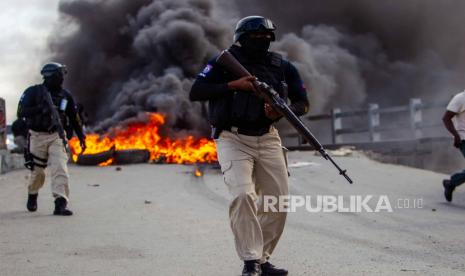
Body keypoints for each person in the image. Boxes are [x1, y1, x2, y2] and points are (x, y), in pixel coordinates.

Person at [190, 16, 309, 276]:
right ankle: (251, 261)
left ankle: (263, 259)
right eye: (255, 38)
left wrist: (278, 112)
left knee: (277, 202)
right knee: (243, 196)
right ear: (241, 39)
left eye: (266, 38)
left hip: (267, 138)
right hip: (232, 138)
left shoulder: (281, 66)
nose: (261, 42)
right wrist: (234, 85)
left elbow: (303, 103)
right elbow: (196, 91)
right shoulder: (223, 62)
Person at [17, 62, 86, 216]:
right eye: (59, 75)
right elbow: (20, 112)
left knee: (60, 168)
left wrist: (81, 136)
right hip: (37, 136)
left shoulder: (66, 96)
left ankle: (60, 203)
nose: (62, 79)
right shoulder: (33, 92)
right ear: (50, 77)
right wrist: (39, 109)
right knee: (38, 173)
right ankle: (33, 194)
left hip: (56, 136)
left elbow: (74, 118)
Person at [442, 91, 465, 202]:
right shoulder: (460, 98)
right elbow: (446, 118)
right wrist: (456, 135)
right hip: (463, 137)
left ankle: (451, 183)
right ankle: (451, 183)